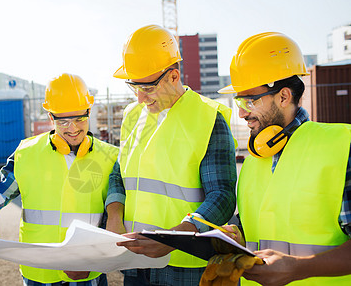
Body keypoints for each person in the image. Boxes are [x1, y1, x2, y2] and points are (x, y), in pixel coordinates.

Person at [0, 73, 119, 286]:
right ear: (50, 117)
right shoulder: (26, 153)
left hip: (87, 274)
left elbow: (115, 220)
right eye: (63, 121)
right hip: (38, 274)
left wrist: (93, 259)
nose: (73, 128)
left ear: (89, 112)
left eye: (79, 119)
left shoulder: (111, 157)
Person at [105, 24, 237, 285]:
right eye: (135, 87)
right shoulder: (132, 115)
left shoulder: (209, 118)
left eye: (149, 88)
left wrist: (175, 237)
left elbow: (222, 196)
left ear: (173, 76)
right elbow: (119, 174)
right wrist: (114, 218)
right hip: (135, 261)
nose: (141, 98)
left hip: (184, 264)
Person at [218, 32, 351, 285]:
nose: (241, 112)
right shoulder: (254, 159)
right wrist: (238, 237)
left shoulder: (342, 146)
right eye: (239, 100)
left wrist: (300, 268)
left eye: (249, 100)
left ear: (283, 96)